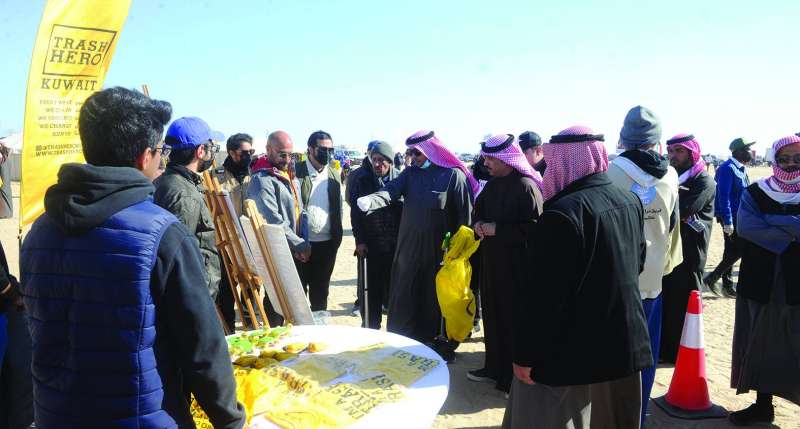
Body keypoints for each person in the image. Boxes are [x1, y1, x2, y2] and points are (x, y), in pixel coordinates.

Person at [19, 87, 244, 428]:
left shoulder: (39, 232)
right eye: (159, 154)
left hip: (56, 414)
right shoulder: (161, 234)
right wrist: (229, 420)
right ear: (144, 156)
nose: (161, 164)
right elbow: (203, 349)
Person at [505, 126, 650, 429]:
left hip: (573, 355)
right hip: (624, 346)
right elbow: (636, 266)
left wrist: (524, 355)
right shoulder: (629, 200)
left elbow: (544, 298)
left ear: (567, 161)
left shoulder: (561, 214)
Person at [357, 130, 477, 361]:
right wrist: (371, 201)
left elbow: (465, 220)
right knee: (405, 294)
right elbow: (390, 192)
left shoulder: (454, 177)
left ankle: (437, 344)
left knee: (433, 299)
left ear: (431, 151)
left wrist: (458, 252)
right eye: (410, 152)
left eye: (416, 152)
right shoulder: (409, 175)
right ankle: (403, 341)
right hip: (408, 249)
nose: (412, 156)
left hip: (439, 252)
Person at [607, 105, 680, 426]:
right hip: (652, 282)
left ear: (623, 136)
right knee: (645, 356)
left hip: (614, 283)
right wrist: (664, 267)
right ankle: (636, 418)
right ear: (657, 140)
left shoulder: (608, 172)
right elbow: (673, 226)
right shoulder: (671, 174)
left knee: (611, 358)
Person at [729, 134, 800, 425]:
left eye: (798, 158)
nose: (791, 164)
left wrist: (772, 220)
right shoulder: (757, 190)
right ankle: (762, 405)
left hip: (796, 281)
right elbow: (747, 226)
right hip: (760, 280)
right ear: (774, 160)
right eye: (784, 158)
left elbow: (761, 225)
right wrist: (792, 230)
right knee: (760, 340)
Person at [468, 134, 543, 394]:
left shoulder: (526, 186)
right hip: (491, 265)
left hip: (516, 268)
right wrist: (477, 225)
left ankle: (509, 377)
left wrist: (497, 229)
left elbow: (534, 230)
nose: (486, 163)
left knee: (512, 320)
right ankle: (492, 367)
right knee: (492, 315)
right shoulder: (492, 185)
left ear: (505, 158)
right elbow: (477, 213)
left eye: (490, 158)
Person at [660, 134, 716, 363]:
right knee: (668, 302)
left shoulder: (703, 181)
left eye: (679, 151)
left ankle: (677, 353)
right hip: (671, 251)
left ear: (692, 152)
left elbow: (685, 208)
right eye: (671, 151)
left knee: (684, 302)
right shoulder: (671, 178)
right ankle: (666, 349)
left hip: (691, 252)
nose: (673, 156)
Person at [153, 117, 222, 299]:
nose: (212, 153)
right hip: (190, 298)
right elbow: (179, 258)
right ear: (200, 151)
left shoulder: (165, 182)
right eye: (210, 147)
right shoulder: (184, 194)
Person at [248, 131, 308, 324]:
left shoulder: (288, 175)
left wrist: (302, 241)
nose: (288, 159)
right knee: (277, 305)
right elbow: (272, 220)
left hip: (295, 250)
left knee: (295, 304)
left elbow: (300, 209)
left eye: (291, 155)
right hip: (277, 252)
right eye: (282, 154)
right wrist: (298, 244)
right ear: (268, 150)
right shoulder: (261, 180)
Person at [348, 140, 402, 329]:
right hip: (370, 246)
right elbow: (355, 214)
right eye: (374, 160)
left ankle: (396, 333)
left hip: (395, 248)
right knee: (370, 293)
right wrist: (359, 241)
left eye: (381, 160)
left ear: (390, 161)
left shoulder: (400, 180)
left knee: (396, 294)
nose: (377, 164)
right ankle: (371, 329)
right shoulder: (362, 180)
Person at [292, 131, 343, 312]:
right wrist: (297, 243)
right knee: (297, 297)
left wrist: (337, 239)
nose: (327, 153)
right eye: (323, 149)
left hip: (326, 246)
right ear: (310, 149)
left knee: (320, 295)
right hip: (300, 246)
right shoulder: (295, 172)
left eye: (331, 149)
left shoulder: (334, 174)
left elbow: (338, 209)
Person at [704, 137, 754, 297]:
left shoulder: (741, 168)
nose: (750, 152)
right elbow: (722, 196)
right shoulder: (727, 168)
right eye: (747, 149)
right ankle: (712, 278)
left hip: (742, 217)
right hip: (731, 218)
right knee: (740, 250)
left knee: (731, 251)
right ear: (738, 151)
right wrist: (728, 221)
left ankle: (727, 285)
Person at [215, 133, 255, 217]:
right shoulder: (215, 176)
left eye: (251, 152)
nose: (248, 156)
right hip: (227, 228)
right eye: (244, 152)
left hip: (250, 228)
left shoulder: (254, 175)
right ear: (232, 153)